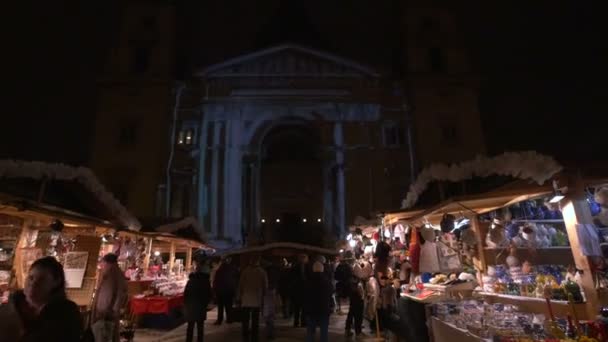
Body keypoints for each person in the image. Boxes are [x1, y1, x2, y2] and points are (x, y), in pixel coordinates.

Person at [19, 256, 82, 342]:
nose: (33, 284)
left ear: (56, 282)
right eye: (31, 278)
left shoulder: (65, 313)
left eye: (42, 280)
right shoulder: (16, 306)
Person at [91, 253, 128, 342]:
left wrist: (110, 310)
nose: (102, 265)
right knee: (108, 334)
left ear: (107, 263)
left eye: (103, 263)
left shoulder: (113, 274)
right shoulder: (113, 272)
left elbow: (114, 294)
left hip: (107, 312)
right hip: (109, 310)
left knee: (105, 335)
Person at [237, 255, 268, 342]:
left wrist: (239, 297)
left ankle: (245, 336)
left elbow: (240, 285)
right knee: (255, 320)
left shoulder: (245, 271)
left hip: (246, 299)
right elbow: (265, 286)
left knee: (245, 320)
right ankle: (255, 337)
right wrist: (264, 297)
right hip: (257, 299)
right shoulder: (262, 272)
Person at [184, 255, 212, 342]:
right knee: (200, 327)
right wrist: (206, 304)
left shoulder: (191, 281)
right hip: (201, 306)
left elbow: (186, 294)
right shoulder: (205, 281)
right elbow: (209, 294)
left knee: (190, 326)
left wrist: (186, 304)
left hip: (191, 306)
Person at [303, 261, 333, 342]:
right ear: (322, 269)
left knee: (310, 332)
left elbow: (305, 296)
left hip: (311, 310)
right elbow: (330, 294)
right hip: (324, 309)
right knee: (324, 332)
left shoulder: (308, 281)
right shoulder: (327, 282)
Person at [213, 257, 238, 325]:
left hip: (220, 291)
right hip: (229, 290)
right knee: (228, 306)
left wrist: (215, 290)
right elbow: (235, 281)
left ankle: (219, 320)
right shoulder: (232, 269)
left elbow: (216, 281)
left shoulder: (219, 270)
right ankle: (229, 319)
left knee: (220, 307)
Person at [290, 254, 309, 328]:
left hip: (300, 290)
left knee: (299, 308)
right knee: (299, 308)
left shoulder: (296, 267)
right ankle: (299, 322)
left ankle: (298, 322)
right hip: (299, 290)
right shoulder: (297, 268)